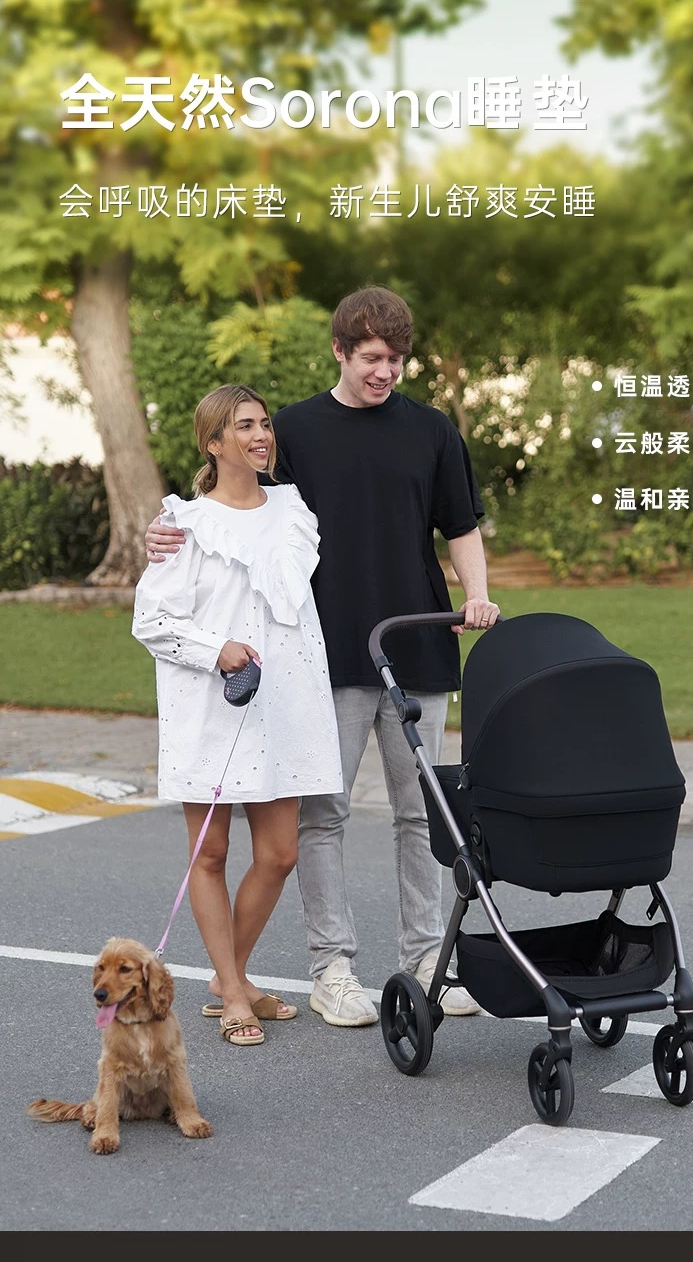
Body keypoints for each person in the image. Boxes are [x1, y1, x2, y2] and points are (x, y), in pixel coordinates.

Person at [145, 287, 500, 1028]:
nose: (385, 372)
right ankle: (331, 969)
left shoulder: (433, 430)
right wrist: (166, 532)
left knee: (423, 814)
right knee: (323, 817)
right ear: (340, 351)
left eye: (396, 359)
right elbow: (234, 509)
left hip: (418, 646)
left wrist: (478, 594)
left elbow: (461, 524)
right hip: (323, 658)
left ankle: (429, 960)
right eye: (371, 357)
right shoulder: (294, 432)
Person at [133, 383, 342, 1046]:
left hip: (283, 707)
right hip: (211, 707)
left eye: (264, 424)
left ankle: (231, 980)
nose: (260, 436)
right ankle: (234, 991)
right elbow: (152, 620)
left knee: (279, 853)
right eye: (244, 425)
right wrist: (215, 650)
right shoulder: (185, 525)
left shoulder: (292, 510)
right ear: (213, 441)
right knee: (213, 852)